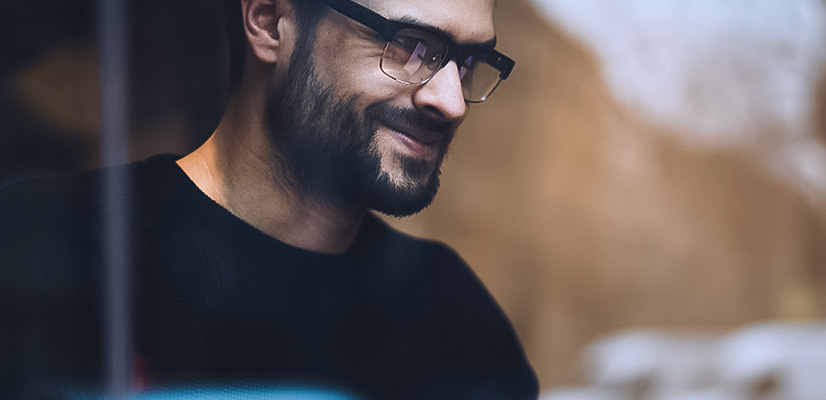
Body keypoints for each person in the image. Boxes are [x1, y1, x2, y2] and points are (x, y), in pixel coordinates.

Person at [0, 0, 535, 398]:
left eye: (466, 63)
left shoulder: (450, 311)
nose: (451, 101)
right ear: (268, 21)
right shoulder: (49, 240)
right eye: (409, 45)